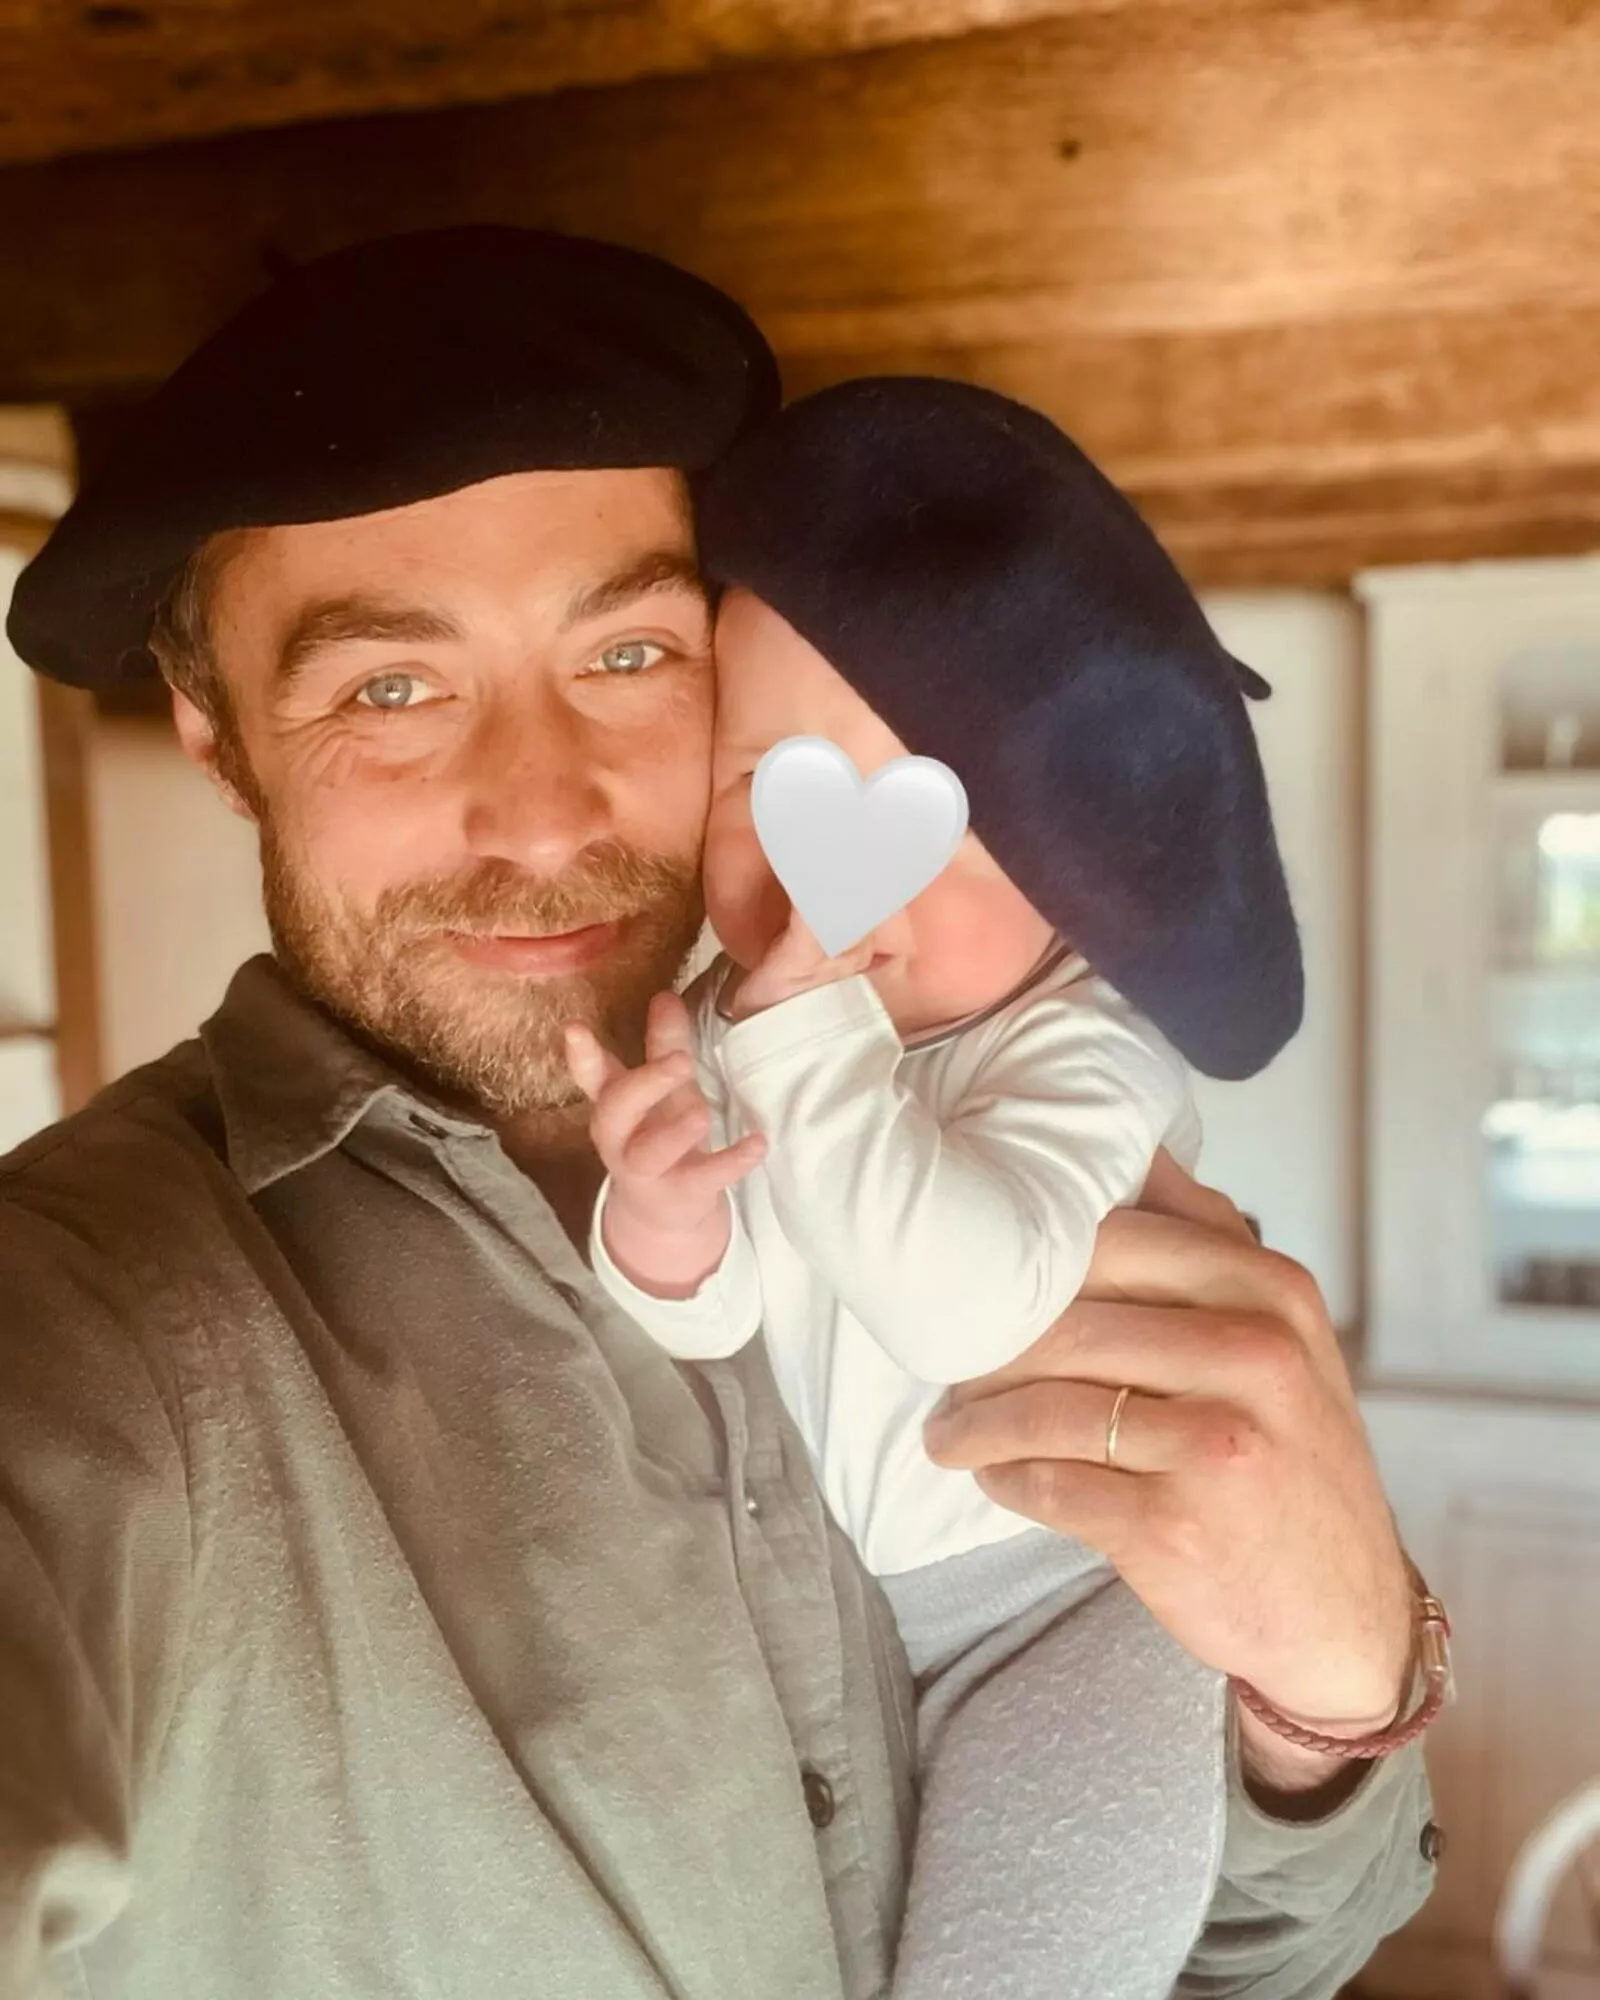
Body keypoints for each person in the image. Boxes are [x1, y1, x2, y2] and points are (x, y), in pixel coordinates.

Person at [0, 224, 1438, 2000]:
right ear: (218, 737)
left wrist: (1329, 1698)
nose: (544, 814)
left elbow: (1271, 1953)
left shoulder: (963, 1072)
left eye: (626, 656)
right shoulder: (83, 1314)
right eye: (392, 686)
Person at [566, 374, 1306, 1997]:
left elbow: (964, 1303)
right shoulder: (749, 1026)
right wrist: (667, 1222)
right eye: (764, 790)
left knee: (1037, 1948)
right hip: (837, 1606)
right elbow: (715, 1325)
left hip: (1070, 1600)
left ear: (1071, 866)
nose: (834, 881)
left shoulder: (1082, 1052)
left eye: (932, 823)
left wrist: (797, 1038)